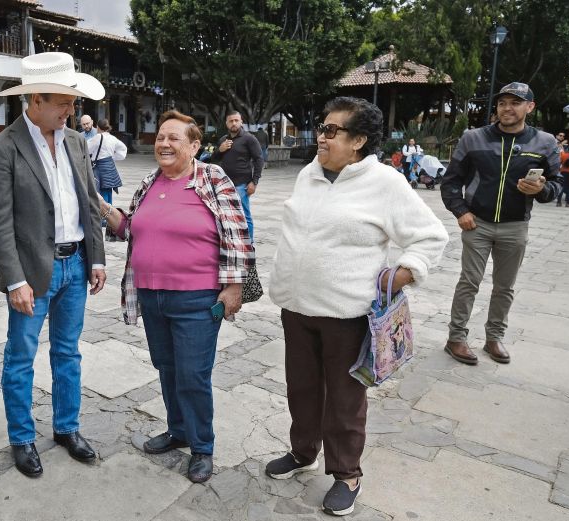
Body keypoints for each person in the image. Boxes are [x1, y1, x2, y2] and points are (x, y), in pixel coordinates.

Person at [265, 96, 447, 516]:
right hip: (297, 309)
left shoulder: (385, 183)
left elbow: (430, 236)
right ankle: (302, 452)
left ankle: (347, 473)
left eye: (332, 131)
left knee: (345, 401)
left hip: (347, 316)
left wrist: (399, 275)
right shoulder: (309, 175)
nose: (321, 137)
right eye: (321, 128)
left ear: (359, 140)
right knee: (302, 389)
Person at [101, 110, 254, 484]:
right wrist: (103, 208)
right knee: (166, 367)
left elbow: (238, 234)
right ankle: (178, 430)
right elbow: (129, 227)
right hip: (152, 296)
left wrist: (233, 288)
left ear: (195, 145)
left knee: (193, 374)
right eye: (160, 138)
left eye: (173, 138)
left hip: (197, 298)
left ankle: (202, 446)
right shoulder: (150, 180)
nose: (164, 144)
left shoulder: (212, 177)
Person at [0, 52, 107, 479]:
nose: (71, 111)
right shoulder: (1, 149)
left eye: (73, 103)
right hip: (33, 272)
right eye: (63, 102)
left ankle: (67, 428)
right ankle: (21, 437)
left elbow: (89, 202)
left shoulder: (75, 141)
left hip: (76, 267)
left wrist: (98, 258)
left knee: (68, 353)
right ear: (34, 100)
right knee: (21, 357)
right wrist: (13, 279)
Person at [442, 82, 561, 366]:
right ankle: (456, 338)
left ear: (529, 107)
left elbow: (556, 185)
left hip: (515, 226)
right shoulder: (473, 138)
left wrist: (541, 190)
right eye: (503, 102)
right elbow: (451, 181)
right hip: (477, 223)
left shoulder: (544, 142)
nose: (507, 108)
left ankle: (494, 338)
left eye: (515, 103)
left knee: (505, 286)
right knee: (469, 282)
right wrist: (461, 211)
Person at [210, 110, 263, 240]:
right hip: (224, 185)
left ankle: (248, 244)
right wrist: (219, 150)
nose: (234, 123)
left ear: (241, 122)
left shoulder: (249, 138)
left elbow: (259, 159)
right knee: (225, 215)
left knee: (244, 215)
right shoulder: (223, 140)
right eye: (231, 121)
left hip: (242, 185)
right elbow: (214, 159)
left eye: (236, 120)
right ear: (226, 123)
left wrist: (254, 182)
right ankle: (232, 241)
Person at [88, 118, 126, 207]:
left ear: (97, 127)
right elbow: (123, 150)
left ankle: (103, 217)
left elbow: (87, 148)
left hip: (100, 167)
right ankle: (109, 215)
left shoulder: (98, 137)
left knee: (100, 192)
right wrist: (113, 157)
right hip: (110, 166)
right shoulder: (113, 138)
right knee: (108, 190)